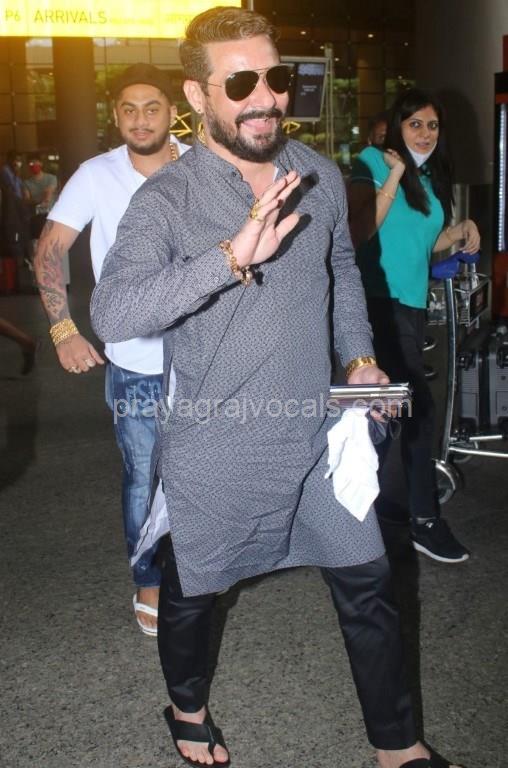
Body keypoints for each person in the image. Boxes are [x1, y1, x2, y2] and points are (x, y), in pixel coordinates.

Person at [91, 8, 465, 768]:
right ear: (198, 96)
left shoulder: (316, 175)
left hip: (314, 432)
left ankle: (399, 747)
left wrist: (358, 358)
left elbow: (339, 272)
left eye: (276, 77)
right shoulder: (166, 200)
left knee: (369, 580)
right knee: (194, 589)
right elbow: (114, 311)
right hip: (218, 445)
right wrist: (229, 257)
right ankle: (186, 709)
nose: (265, 97)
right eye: (240, 83)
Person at [33, 63, 189, 636]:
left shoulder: (201, 166)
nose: (140, 119)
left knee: (204, 468)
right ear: (115, 116)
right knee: (143, 474)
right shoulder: (96, 174)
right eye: (129, 109)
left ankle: (198, 569)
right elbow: (50, 249)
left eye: (152, 108)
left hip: (204, 353)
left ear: (173, 112)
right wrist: (63, 329)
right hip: (135, 361)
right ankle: (149, 577)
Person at [348, 88, 480, 564]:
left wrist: (459, 230)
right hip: (373, 302)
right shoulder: (373, 161)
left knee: (385, 415)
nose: (425, 133)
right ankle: (422, 520)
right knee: (412, 412)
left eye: (433, 125)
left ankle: (368, 513)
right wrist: (395, 173)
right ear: (398, 127)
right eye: (415, 124)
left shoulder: (431, 178)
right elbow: (362, 228)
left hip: (410, 304)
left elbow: (423, 240)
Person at [0, 150, 32, 286]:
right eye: (16, 160)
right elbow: (11, 190)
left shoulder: (15, 174)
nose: (18, 163)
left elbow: (21, 191)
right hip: (12, 211)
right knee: (15, 240)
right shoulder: (5, 172)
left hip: (18, 209)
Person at [24, 154, 58, 240]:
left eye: (36, 162)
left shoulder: (51, 178)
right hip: (37, 218)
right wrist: (41, 199)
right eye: (31, 163)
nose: (34, 165)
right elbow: (27, 200)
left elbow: (49, 192)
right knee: (37, 242)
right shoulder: (26, 183)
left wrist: (44, 199)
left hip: (52, 216)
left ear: (41, 164)